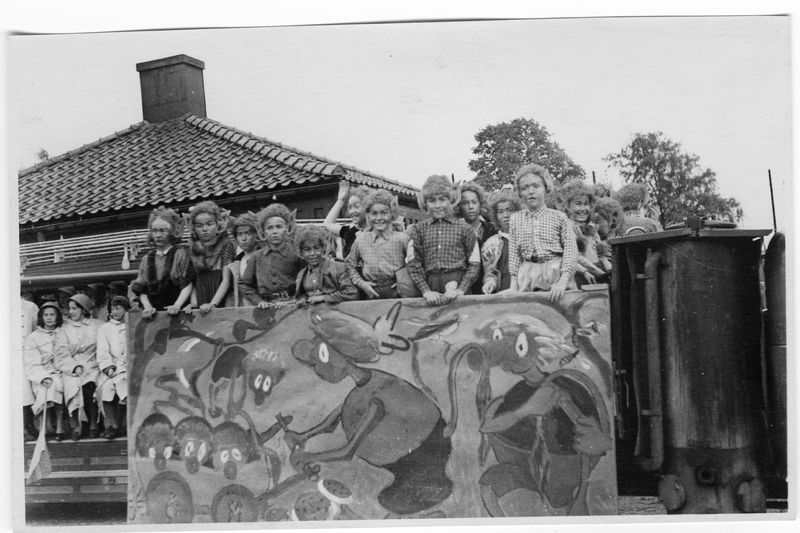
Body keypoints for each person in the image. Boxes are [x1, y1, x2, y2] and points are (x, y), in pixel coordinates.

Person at [507, 163, 578, 302]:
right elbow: (514, 254)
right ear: (520, 193)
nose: (530, 191)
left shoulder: (559, 217)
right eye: (525, 188)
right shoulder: (515, 219)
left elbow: (570, 250)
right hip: (527, 275)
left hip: (555, 272)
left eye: (536, 186)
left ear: (546, 188)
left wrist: (563, 281)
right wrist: (513, 284)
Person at [407, 175, 481, 306]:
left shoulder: (465, 229)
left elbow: (474, 263)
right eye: (432, 201)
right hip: (431, 287)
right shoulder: (418, 230)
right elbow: (414, 264)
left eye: (442, 199)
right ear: (425, 203)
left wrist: (461, 290)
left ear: (450, 200)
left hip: (459, 285)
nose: (438, 205)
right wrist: (426, 291)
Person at [129, 206, 195, 318]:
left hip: (179, 311)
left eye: (162, 231)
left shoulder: (180, 254)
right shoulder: (147, 259)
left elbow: (187, 284)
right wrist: (148, 307)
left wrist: (177, 305)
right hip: (155, 314)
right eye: (154, 231)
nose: (158, 235)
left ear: (172, 231)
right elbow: (142, 288)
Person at [346, 189, 410, 299]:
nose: (379, 218)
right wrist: (362, 283)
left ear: (391, 213)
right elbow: (349, 264)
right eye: (374, 213)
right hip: (369, 293)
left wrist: (405, 282)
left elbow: (415, 264)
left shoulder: (402, 239)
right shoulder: (361, 240)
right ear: (368, 215)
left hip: (397, 294)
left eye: (384, 213)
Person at [54, 293, 100, 440]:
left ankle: (93, 422)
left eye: (74, 308)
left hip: (92, 363)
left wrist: (95, 363)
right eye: (70, 308)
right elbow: (61, 353)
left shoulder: (97, 326)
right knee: (72, 385)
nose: (71, 312)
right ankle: (76, 424)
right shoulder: (64, 329)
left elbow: (102, 347)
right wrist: (74, 367)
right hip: (71, 365)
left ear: (83, 309)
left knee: (91, 383)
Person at [239, 203, 303, 307]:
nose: (274, 232)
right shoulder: (256, 257)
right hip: (267, 307)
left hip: (293, 305)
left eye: (279, 227)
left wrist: (299, 298)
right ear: (263, 232)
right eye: (270, 228)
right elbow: (244, 284)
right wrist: (258, 301)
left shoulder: (297, 254)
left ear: (287, 229)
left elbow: (307, 279)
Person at [23, 301, 67, 441]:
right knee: (49, 386)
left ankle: (60, 425)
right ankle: (45, 425)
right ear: (41, 317)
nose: (49, 318)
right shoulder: (33, 337)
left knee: (61, 384)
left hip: (62, 370)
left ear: (57, 316)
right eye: (46, 315)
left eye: (52, 314)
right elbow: (32, 363)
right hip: (42, 372)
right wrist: (43, 377)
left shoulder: (64, 332)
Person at [187, 200, 236, 313]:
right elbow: (193, 281)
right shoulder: (193, 248)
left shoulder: (226, 245)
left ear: (218, 224)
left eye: (209, 224)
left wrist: (213, 304)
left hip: (221, 299)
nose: (205, 229)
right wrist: (193, 305)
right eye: (199, 226)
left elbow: (226, 280)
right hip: (201, 298)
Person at [557, 180, 607, 286]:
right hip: (579, 277)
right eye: (578, 204)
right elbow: (571, 257)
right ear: (567, 206)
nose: (583, 209)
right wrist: (599, 272)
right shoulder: (566, 227)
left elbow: (600, 255)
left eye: (586, 204)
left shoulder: (591, 228)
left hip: (596, 276)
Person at [295, 225, 359, 305]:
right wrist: (303, 299)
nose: (312, 253)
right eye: (307, 250)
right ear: (301, 252)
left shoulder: (338, 268)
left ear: (323, 248)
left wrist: (324, 298)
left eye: (316, 248)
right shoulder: (302, 274)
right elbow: (301, 295)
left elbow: (352, 294)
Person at [96, 296, 130, 440]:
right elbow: (102, 351)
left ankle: (123, 425)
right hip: (112, 368)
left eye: (118, 308)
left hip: (128, 367)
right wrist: (108, 367)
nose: (114, 312)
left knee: (124, 385)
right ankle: (112, 425)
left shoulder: (132, 325)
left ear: (126, 309)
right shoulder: (105, 328)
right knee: (106, 388)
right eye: (112, 309)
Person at [457, 182, 496, 295]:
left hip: (490, 289)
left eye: (474, 202)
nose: (470, 207)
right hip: (464, 290)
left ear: (480, 204)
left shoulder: (492, 229)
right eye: (465, 203)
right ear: (459, 206)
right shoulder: (455, 231)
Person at [480, 190, 521, 294]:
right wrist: (490, 282)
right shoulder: (491, 244)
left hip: (527, 292)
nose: (506, 215)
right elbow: (490, 272)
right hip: (503, 294)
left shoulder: (527, 238)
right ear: (495, 216)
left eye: (509, 210)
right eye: (500, 212)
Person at [322, 180, 371, 259]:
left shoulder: (376, 232)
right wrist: (340, 200)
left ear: (368, 207)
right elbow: (327, 224)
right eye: (350, 207)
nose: (352, 211)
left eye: (357, 206)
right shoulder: (350, 231)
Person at [230, 212, 261, 306]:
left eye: (247, 233)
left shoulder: (265, 256)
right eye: (239, 234)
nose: (243, 238)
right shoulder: (236, 261)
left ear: (256, 234)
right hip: (244, 309)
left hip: (265, 306)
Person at [21, 295, 40, 441]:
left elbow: (35, 331)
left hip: (25, 354)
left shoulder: (30, 307)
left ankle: (27, 425)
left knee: (25, 391)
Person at [591, 196, 626, 273]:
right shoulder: (596, 239)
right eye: (592, 221)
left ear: (613, 221)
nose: (593, 225)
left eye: (597, 221)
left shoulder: (617, 244)